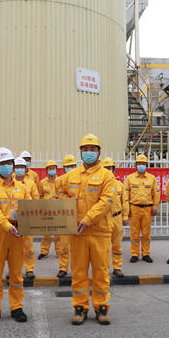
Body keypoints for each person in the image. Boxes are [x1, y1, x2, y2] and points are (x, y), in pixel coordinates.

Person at [59, 134, 115, 325]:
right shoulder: (71, 175)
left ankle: (101, 307)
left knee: (101, 273)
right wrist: (66, 202)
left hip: (100, 232)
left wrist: (88, 219)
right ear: (80, 152)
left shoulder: (107, 176)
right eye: (85, 149)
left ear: (99, 152)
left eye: (92, 149)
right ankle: (80, 308)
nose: (88, 153)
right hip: (78, 233)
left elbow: (106, 201)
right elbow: (59, 190)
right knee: (78, 273)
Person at [0, 147, 30, 324]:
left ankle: (16, 307)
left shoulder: (22, 188)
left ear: (13, 164)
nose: (6, 166)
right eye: (2, 163)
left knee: (16, 274)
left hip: (18, 234)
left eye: (8, 163)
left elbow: (30, 209)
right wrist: (8, 226)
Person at [124, 154, 159, 263]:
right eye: (139, 163)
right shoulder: (130, 178)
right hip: (134, 208)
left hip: (147, 209)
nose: (141, 165)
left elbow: (156, 194)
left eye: (143, 163)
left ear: (146, 165)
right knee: (134, 233)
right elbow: (125, 195)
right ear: (135, 165)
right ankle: (135, 253)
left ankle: (146, 253)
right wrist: (127, 209)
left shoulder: (152, 178)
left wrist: (155, 206)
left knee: (146, 233)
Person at [38, 160, 66, 277]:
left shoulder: (60, 181)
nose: (51, 170)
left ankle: (59, 251)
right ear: (46, 170)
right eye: (49, 168)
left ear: (56, 169)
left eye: (53, 168)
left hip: (58, 210)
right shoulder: (42, 182)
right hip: (46, 211)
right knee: (47, 233)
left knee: (58, 233)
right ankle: (44, 252)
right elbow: (40, 196)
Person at [101, 157, 129, 278]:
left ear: (114, 169)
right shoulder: (100, 186)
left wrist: (125, 216)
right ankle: (105, 268)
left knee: (117, 245)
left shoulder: (119, 185)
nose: (109, 170)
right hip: (104, 219)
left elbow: (125, 202)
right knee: (105, 246)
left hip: (117, 218)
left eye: (110, 168)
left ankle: (117, 267)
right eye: (106, 168)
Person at [15, 157, 40, 279]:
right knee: (14, 248)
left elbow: (36, 200)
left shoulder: (31, 184)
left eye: (22, 167)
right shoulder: (10, 183)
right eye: (17, 167)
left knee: (28, 246)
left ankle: (29, 269)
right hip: (13, 220)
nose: (19, 169)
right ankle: (15, 269)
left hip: (27, 219)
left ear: (26, 169)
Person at [55, 154, 77, 276]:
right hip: (64, 216)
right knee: (63, 245)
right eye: (68, 166)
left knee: (77, 246)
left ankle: (76, 268)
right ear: (63, 168)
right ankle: (63, 268)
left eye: (72, 166)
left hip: (78, 217)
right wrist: (70, 200)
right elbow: (58, 196)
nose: (70, 168)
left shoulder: (80, 179)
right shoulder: (59, 180)